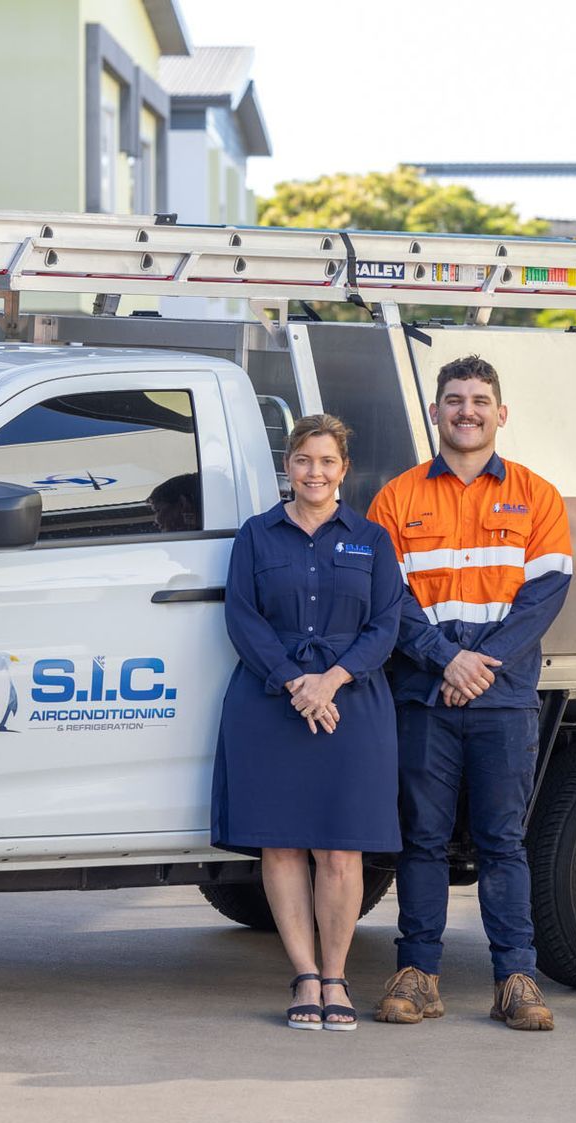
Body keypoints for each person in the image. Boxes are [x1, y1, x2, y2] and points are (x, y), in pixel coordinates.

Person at [366, 355, 572, 1032]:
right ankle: (418, 974)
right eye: (454, 400)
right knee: (420, 839)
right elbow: (386, 599)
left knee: (502, 841)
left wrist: (480, 662)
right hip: (424, 696)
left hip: (503, 697)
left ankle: (516, 976)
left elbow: (544, 595)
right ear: (435, 412)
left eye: (480, 400)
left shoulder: (536, 496)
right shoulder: (396, 499)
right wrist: (445, 659)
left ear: (500, 413)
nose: (467, 411)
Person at [212, 415, 404, 1031]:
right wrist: (296, 681)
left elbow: (386, 623)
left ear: (343, 470)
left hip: (350, 703)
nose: (314, 472)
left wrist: (332, 680)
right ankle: (304, 975)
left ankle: (338, 976)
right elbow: (243, 618)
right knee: (283, 844)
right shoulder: (255, 536)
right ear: (287, 466)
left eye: (326, 462)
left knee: (341, 848)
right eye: (302, 460)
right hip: (273, 702)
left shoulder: (372, 540)